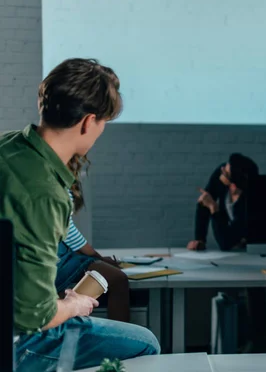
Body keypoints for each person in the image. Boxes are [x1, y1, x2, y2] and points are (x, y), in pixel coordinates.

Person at [0, 58, 160, 371]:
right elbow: (34, 317)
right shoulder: (46, 194)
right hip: (16, 342)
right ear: (88, 122)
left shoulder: (7, 146)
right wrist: (74, 305)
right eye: (104, 123)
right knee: (145, 344)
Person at [54, 155, 131, 322]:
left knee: (115, 278)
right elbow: (68, 230)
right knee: (117, 278)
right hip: (58, 257)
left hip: (64, 254)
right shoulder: (53, 180)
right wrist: (97, 256)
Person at [187, 153, 259, 252]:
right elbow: (205, 201)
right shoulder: (220, 175)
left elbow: (225, 243)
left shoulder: (249, 203)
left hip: (252, 248)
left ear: (233, 184)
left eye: (226, 171)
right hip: (233, 244)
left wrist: (213, 208)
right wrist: (200, 239)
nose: (222, 169)